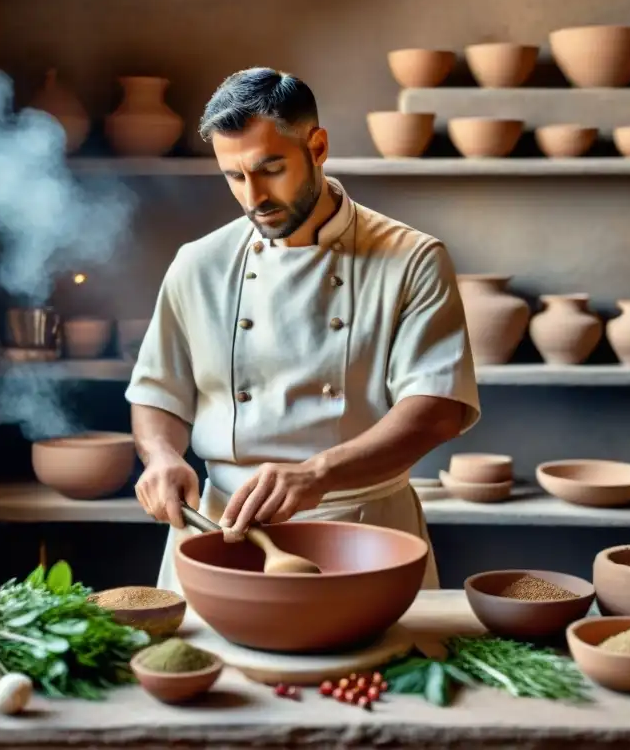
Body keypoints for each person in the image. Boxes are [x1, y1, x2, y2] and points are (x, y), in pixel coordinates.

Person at [125, 67, 480, 592]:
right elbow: (159, 393)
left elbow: (436, 411)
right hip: (219, 530)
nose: (253, 197)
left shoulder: (412, 259)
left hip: (361, 528)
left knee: (378, 674)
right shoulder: (196, 264)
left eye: (271, 168)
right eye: (234, 176)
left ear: (316, 147)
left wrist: (318, 474)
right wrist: (161, 457)